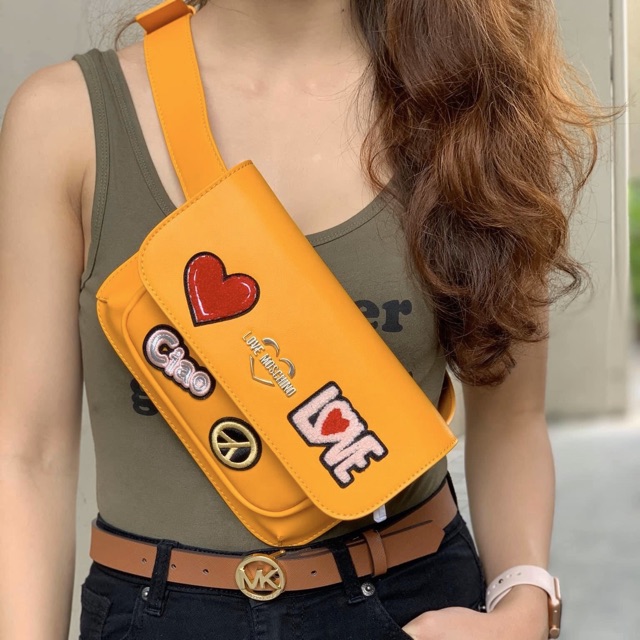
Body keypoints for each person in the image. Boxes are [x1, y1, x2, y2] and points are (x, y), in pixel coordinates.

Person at [0, 0, 605, 638]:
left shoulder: (476, 105)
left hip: (411, 604)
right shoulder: (64, 119)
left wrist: (523, 608)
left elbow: (511, 418)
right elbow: (27, 453)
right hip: (153, 614)